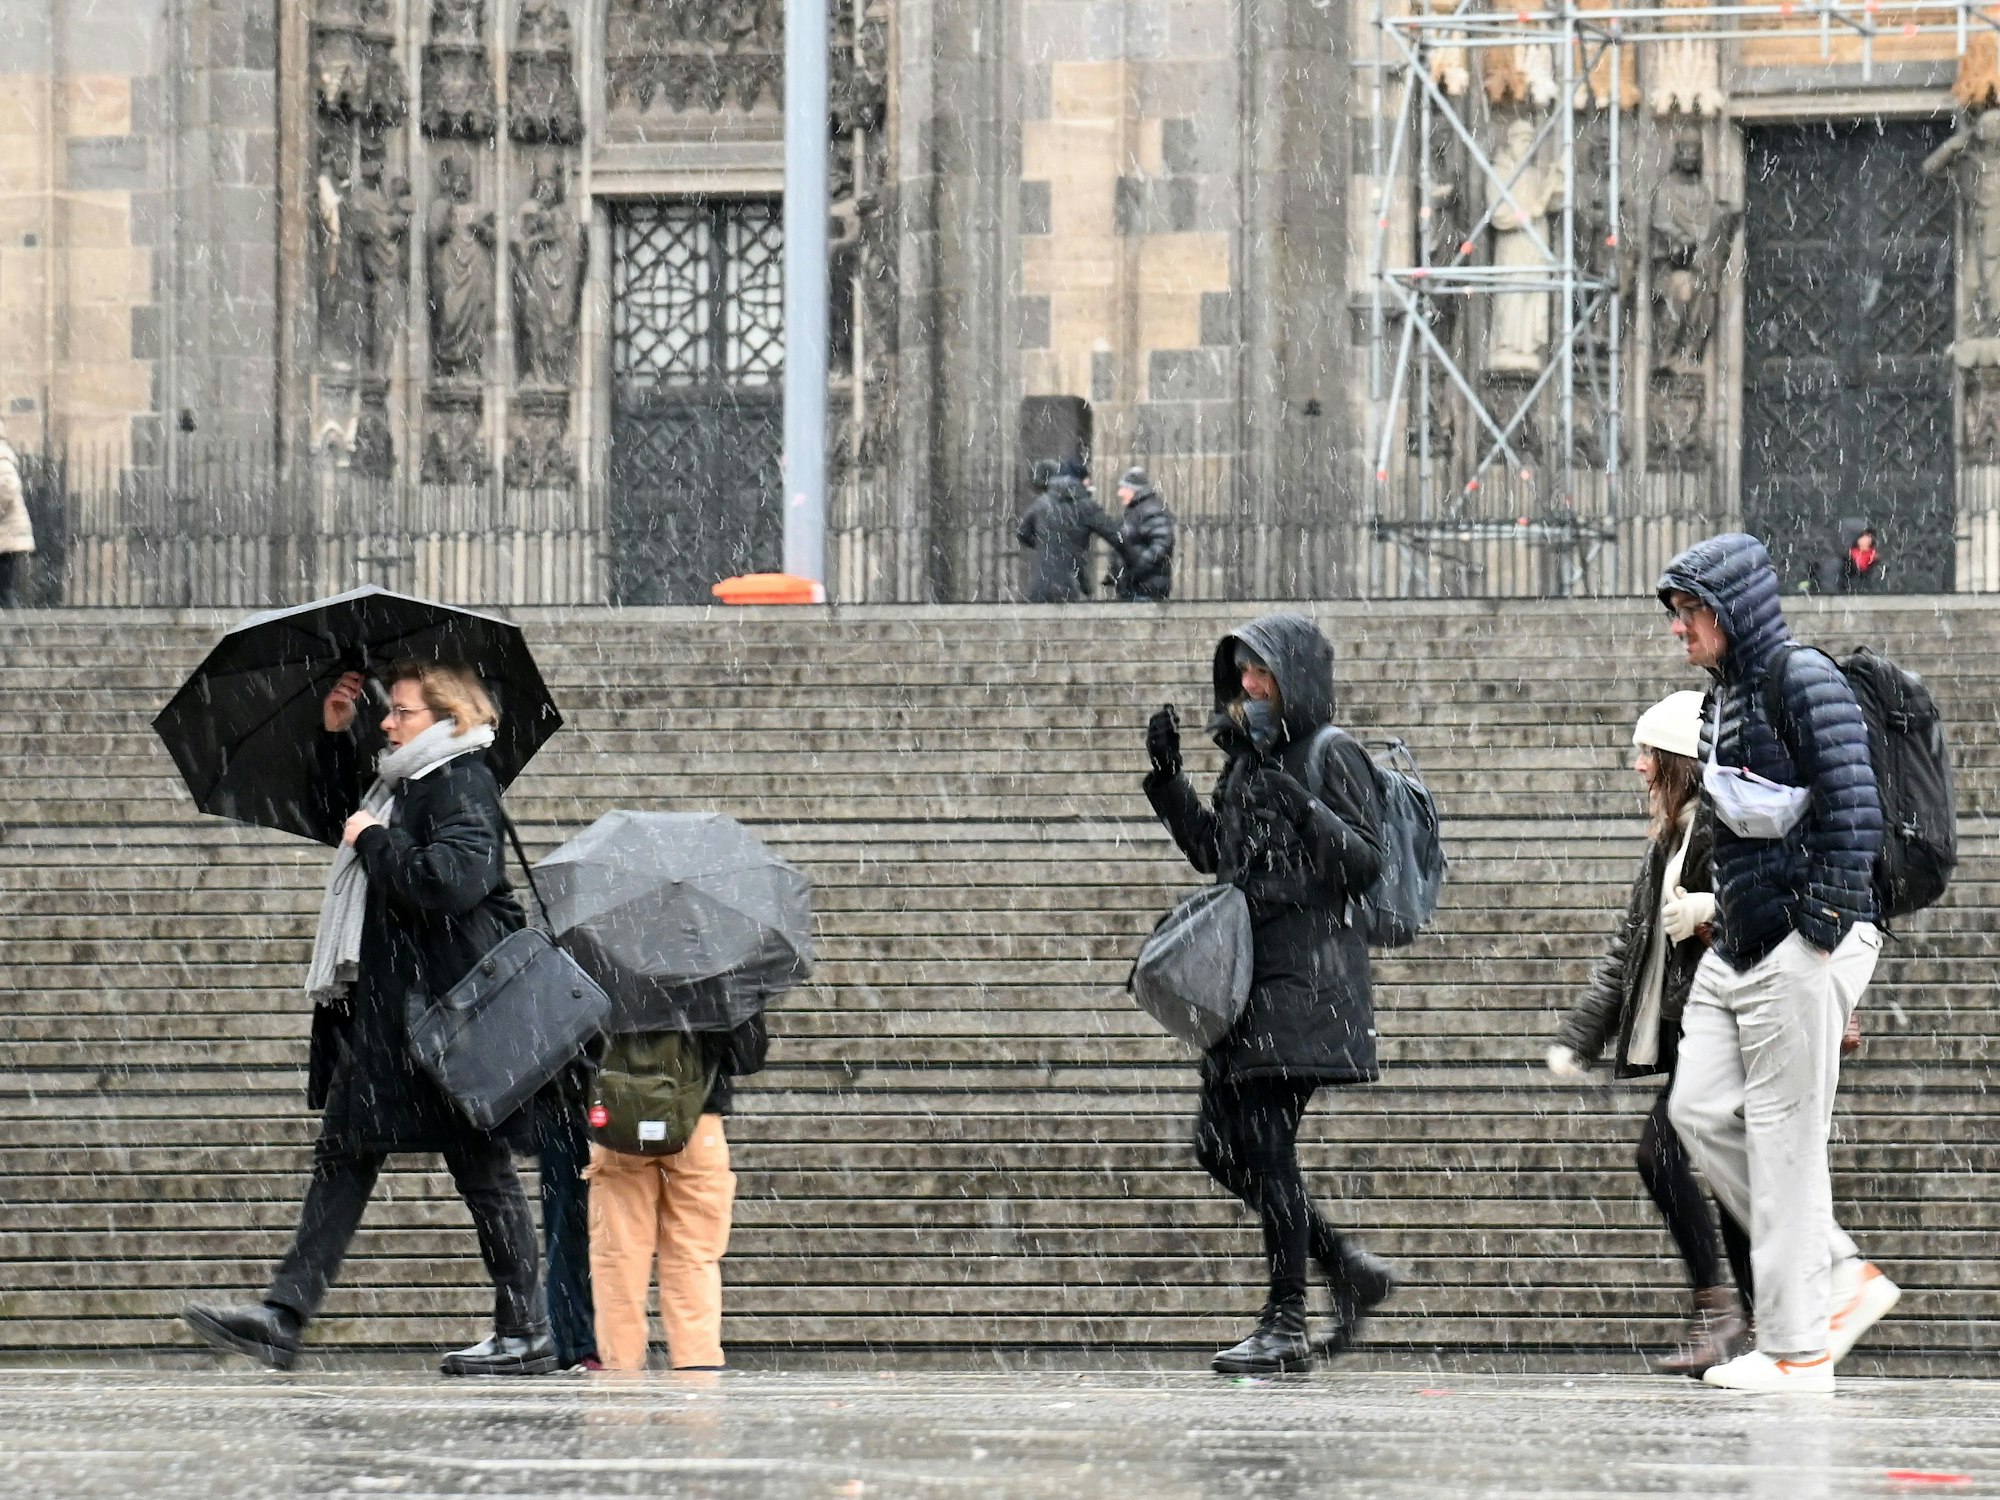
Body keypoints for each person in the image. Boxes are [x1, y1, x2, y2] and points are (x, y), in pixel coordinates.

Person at [183, 661, 555, 1376]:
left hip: (438, 1016)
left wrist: (375, 842)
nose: (386, 721)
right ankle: (285, 1316)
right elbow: (340, 816)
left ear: (446, 719)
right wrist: (332, 736)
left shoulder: (462, 780)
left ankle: (525, 1326)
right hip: (395, 1016)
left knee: (478, 1170)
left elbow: (450, 882)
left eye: (401, 711)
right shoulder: (405, 783)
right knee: (354, 1157)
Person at [1656, 533, 1897, 1393]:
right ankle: (1834, 1272)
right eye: (1677, 613)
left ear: (1732, 611)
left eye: (1690, 613)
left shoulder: (1802, 680)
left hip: (1801, 937)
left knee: (1786, 1141)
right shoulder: (1723, 697)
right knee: (1699, 1109)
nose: (1680, 629)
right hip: (1741, 940)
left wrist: (1817, 930)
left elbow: (1854, 809)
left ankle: (1798, 1352)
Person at [1143, 613, 1393, 1375]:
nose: (1249, 688)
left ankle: (1286, 1320)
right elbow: (1215, 856)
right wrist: (1169, 780)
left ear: (1296, 679)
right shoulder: (1249, 759)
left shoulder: (1330, 752)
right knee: (1218, 1147)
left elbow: (1366, 863)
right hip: (1249, 982)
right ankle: (1344, 1268)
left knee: (1266, 1146)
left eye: (1262, 674)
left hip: (1309, 980)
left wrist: (1304, 805)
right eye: (1242, 674)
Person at [1548, 689, 1755, 1376]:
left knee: (1667, 1155)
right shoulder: (1673, 837)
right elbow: (1630, 946)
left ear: (1679, 762)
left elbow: (1770, 908)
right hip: (1696, 1031)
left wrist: (1710, 911)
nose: (1637, 766)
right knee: (1728, 1181)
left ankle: (1732, 1311)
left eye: (1647, 754)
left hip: (1732, 1027)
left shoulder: (1722, 827)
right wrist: (1583, 1034)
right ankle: (1748, 1321)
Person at [586, 1011, 768, 1371]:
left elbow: (571, 1047)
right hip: (698, 1124)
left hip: (620, 1126)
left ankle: (619, 1368)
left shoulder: (603, 963)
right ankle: (697, 1366)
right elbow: (749, 1055)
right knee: (694, 1254)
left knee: (618, 1259)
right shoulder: (714, 972)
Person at [1016, 471, 1120, 603]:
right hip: (1071, 585)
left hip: (1040, 584)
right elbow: (1117, 538)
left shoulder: (1041, 504)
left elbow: (1022, 532)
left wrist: (1043, 544)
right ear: (1080, 482)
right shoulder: (1086, 506)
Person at [1105, 466, 1175, 602]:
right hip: (1136, 586)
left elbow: (1160, 548)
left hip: (1145, 588)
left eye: (1124, 489)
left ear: (1134, 490)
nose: (1120, 493)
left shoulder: (1150, 511)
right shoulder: (1136, 511)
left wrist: (1131, 571)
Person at [0, 418, 34, 608]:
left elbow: (7, 487)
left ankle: (15, 631)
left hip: (6, 532)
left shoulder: (1, 454)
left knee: (4, 590)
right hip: (6, 532)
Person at [1810, 518, 1884, 596]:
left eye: (1870, 536)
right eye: (1864, 535)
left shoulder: (1874, 566)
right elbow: (1829, 600)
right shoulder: (1835, 567)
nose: (1869, 539)